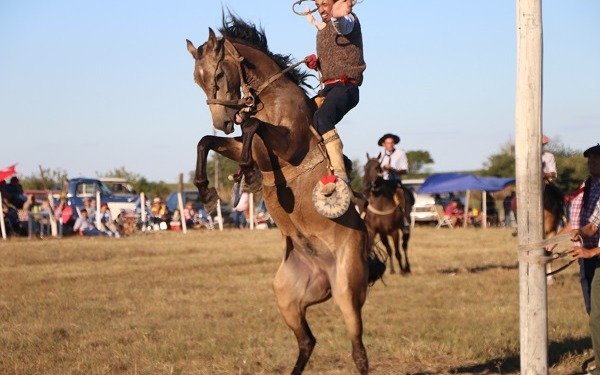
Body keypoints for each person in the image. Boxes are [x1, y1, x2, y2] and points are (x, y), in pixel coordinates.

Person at [303, 0, 366, 195]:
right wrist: (317, 64)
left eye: (325, 4)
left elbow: (341, 25)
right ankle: (325, 167)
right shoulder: (323, 28)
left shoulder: (348, 21)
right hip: (329, 88)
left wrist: (338, 15)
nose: (321, 8)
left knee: (323, 118)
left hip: (346, 87)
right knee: (307, 119)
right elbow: (326, 30)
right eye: (318, 4)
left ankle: (341, 174)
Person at [569, 144, 600, 319]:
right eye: (590, 158)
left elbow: (592, 227)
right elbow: (576, 221)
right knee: (591, 305)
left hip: (594, 252)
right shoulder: (586, 185)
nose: (591, 161)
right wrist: (554, 240)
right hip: (585, 253)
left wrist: (578, 233)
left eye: (596, 157)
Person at [377, 133, 408, 206]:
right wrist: (383, 168)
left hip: (395, 182)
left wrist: (393, 169)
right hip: (382, 182)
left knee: (405, 196)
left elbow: (405, 170)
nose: (390, 145)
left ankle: (403, 213)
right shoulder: (379, 155)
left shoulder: (400, 154)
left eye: (392, 143)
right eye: (388, 143)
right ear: (383, 144)